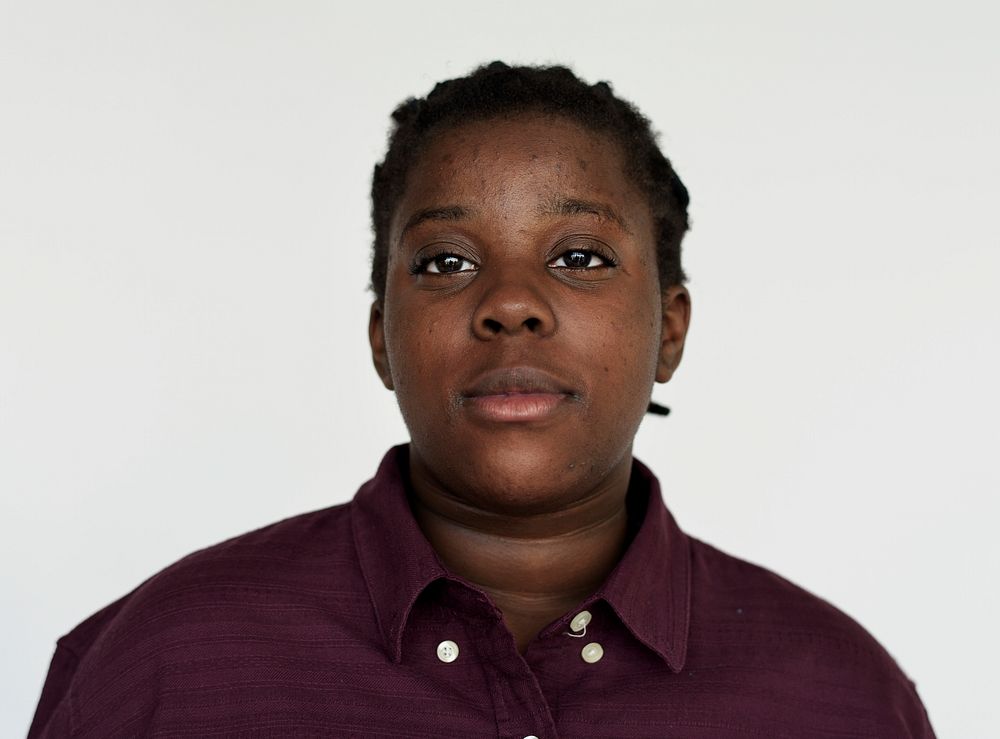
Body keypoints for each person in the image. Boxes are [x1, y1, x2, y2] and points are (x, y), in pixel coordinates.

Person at [29, 62, 935, 737]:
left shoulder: (844, 697)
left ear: (669, 328)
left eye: (579, 257)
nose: (509, 303)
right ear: (383, 335)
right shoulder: (161, 665)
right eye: (447, 262)